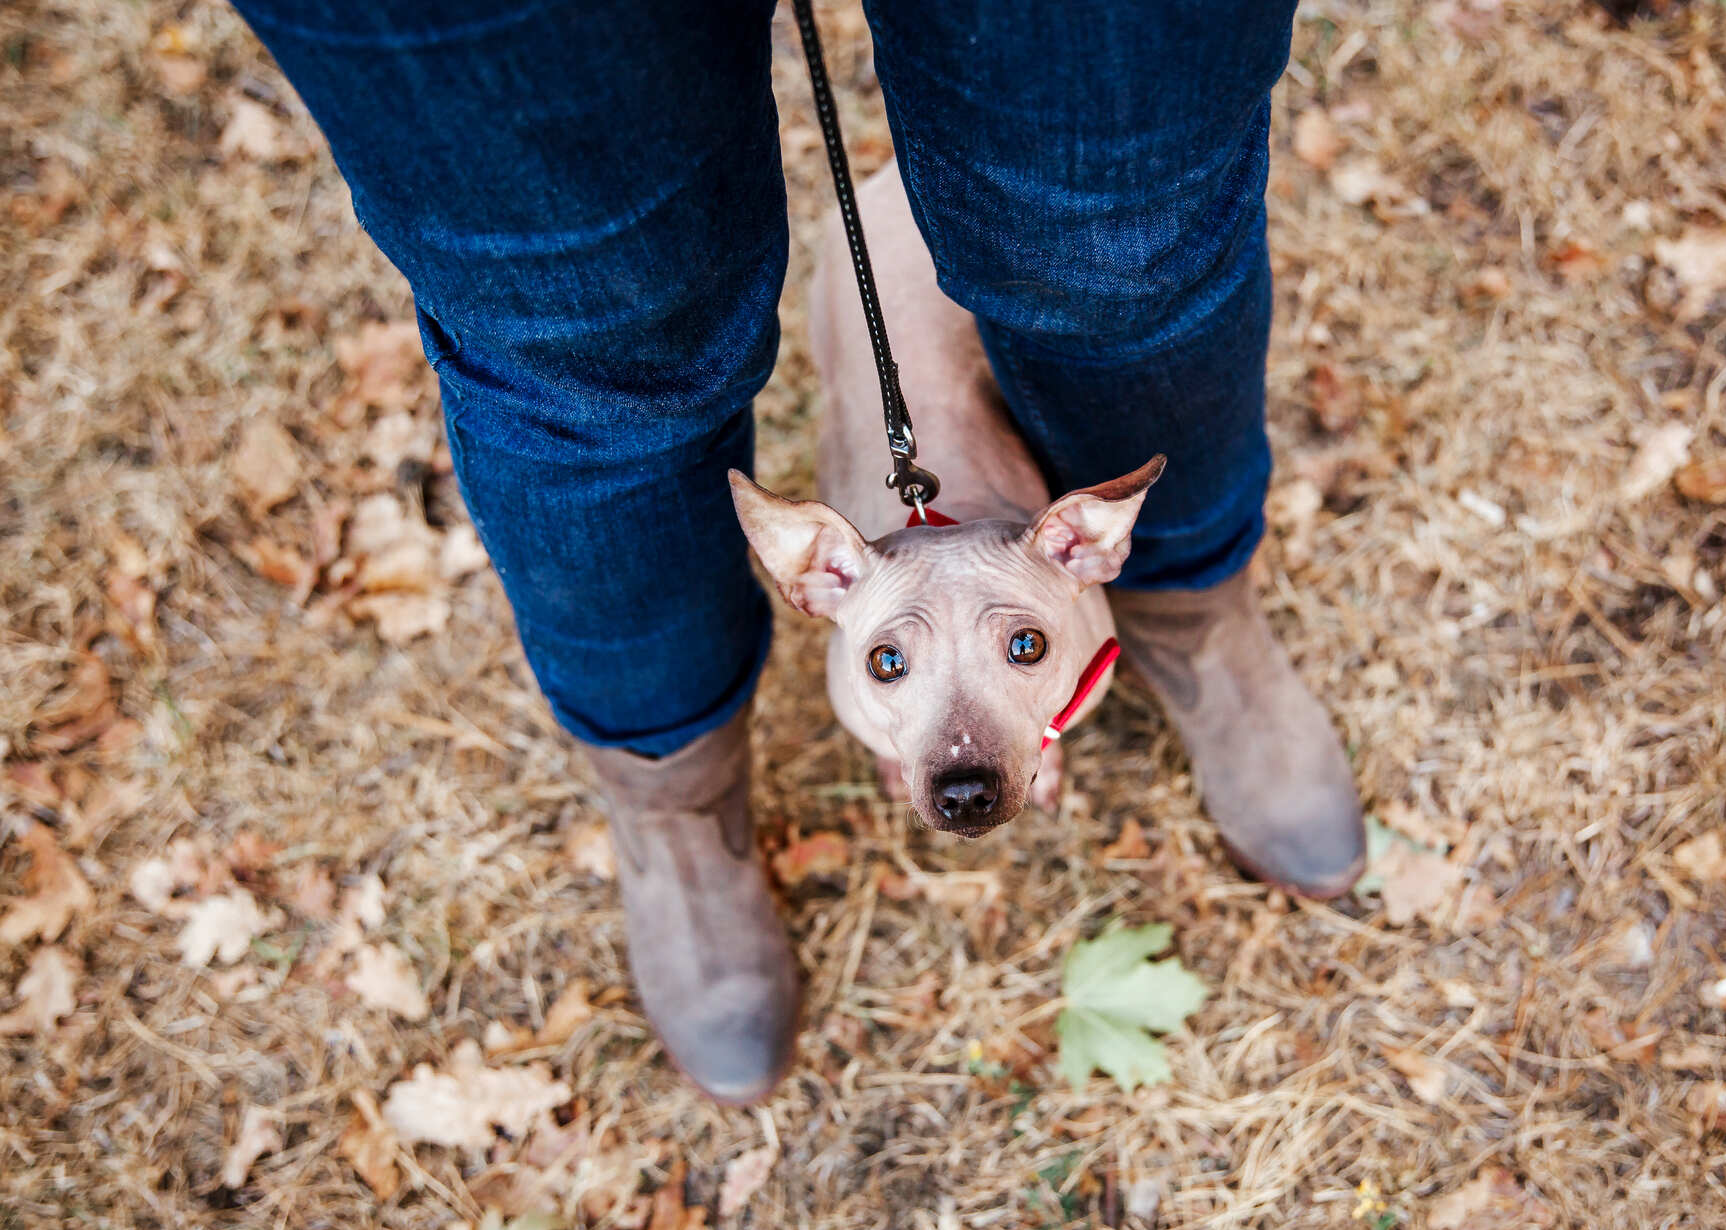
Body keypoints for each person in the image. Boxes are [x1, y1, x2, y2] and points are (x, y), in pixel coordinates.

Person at [228, 0, 1365, 1105]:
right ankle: (675, 798)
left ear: (1086, 543)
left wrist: (947, 676)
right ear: (814, 570)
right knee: (583, 335)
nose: (955, 748)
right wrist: (1009, 667)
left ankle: (1195, 616)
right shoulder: (912, 581)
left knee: (1117, 214)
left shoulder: (1048, 566)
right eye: (885, 667)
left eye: (1026, 641)